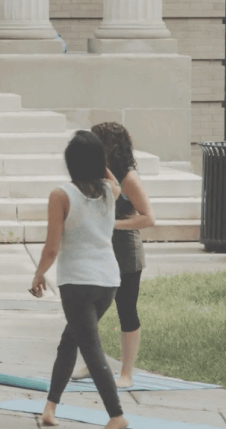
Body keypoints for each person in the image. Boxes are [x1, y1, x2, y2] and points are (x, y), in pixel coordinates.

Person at [30, 131, 129, 429]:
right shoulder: (110, 191)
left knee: (90, 348)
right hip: (108, 281)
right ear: (99, 162)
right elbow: (114, 180)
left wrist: (38, 273)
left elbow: (51, 247)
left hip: (77, 283)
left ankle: (116, 415)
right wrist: (99, 162)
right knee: (70, 341)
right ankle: (50, 408)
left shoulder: (61, 195)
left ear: (70, 162)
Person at [70, 122, 156, 388]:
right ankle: (93, 363)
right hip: (101, 249)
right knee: (91, 309)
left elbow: (148, 218)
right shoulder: (98, 173)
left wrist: (112, 224)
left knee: (126, 310)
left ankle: (126, 374)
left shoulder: (129, 178)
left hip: (126, 252)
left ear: (111, 146)